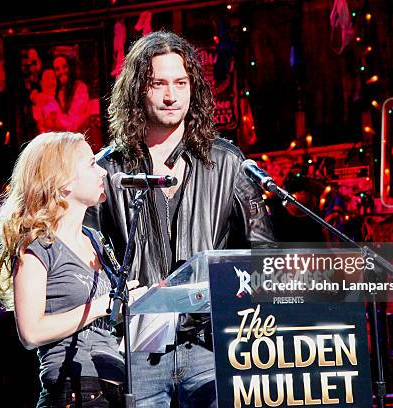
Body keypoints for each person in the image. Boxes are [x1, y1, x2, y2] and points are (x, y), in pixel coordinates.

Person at [85, 31, 275, 407]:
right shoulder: (106, 168)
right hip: (135, 353)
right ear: (138, 89)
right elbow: (83, 258)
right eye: (158, 84)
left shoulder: (228, 163)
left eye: (180, 83)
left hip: (212, 346)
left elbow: (263, 254)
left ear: (193, 88)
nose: (171, 96)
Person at [0, 132, 146, 407]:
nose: (102, 171)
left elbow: (109, 315)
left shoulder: (95, 239)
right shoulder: (37, 247)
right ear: (63, 180)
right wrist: (103, 305)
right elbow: (31, 333)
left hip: (117, 383)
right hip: (75, 389)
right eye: (92, 164)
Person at [49, 54, 91, 133]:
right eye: (57, 69)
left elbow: (74, 124)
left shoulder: (80, 87)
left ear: (70, 68)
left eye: (64, 67)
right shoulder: (56, 92)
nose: (61, 72)